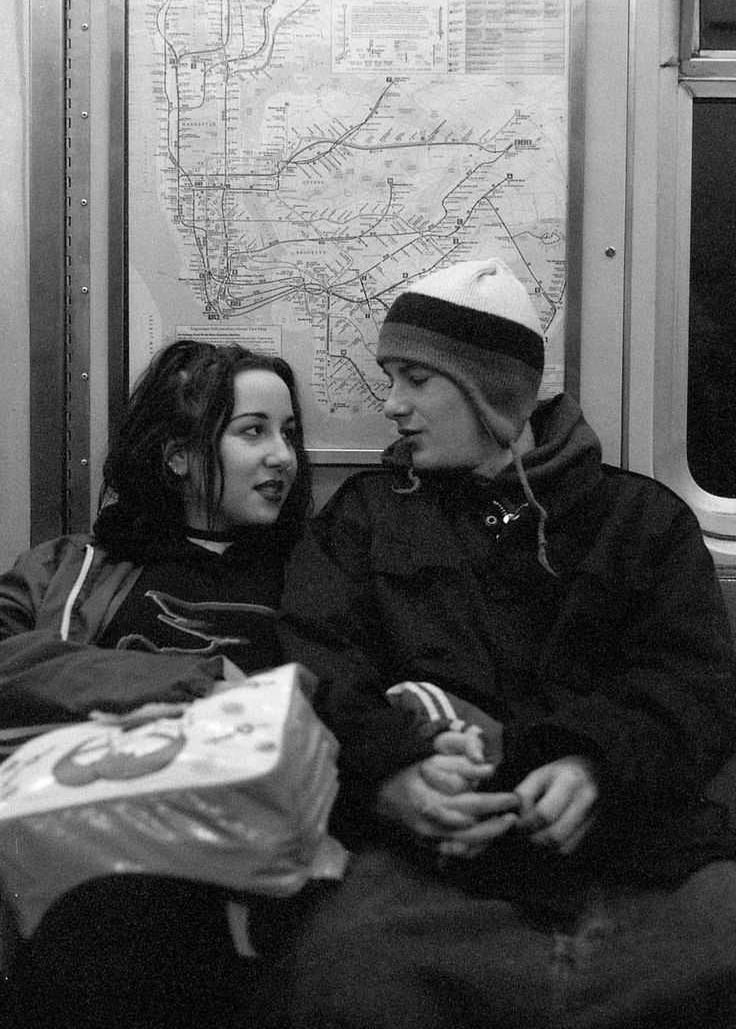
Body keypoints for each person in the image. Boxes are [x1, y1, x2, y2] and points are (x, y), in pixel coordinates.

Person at [273, 257, 736, 1029]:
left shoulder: (643, 521)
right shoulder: (366, 518)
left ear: (492, 390)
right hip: (434, 875)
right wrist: (388, 774)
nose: (391, 405)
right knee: (340, 972)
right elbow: (315, 665)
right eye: (392, 377)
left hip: (639, 861)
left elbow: (691, 683)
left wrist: (596, 762)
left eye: (417, 378)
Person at [0, 338, 318, 1028]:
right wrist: (190, 680)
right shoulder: (73, 571)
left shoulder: (317, 576)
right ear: (178, 456)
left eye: (288, 434)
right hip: (99, 851)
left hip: (257, 859)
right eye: (252, 432)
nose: (282, 457)